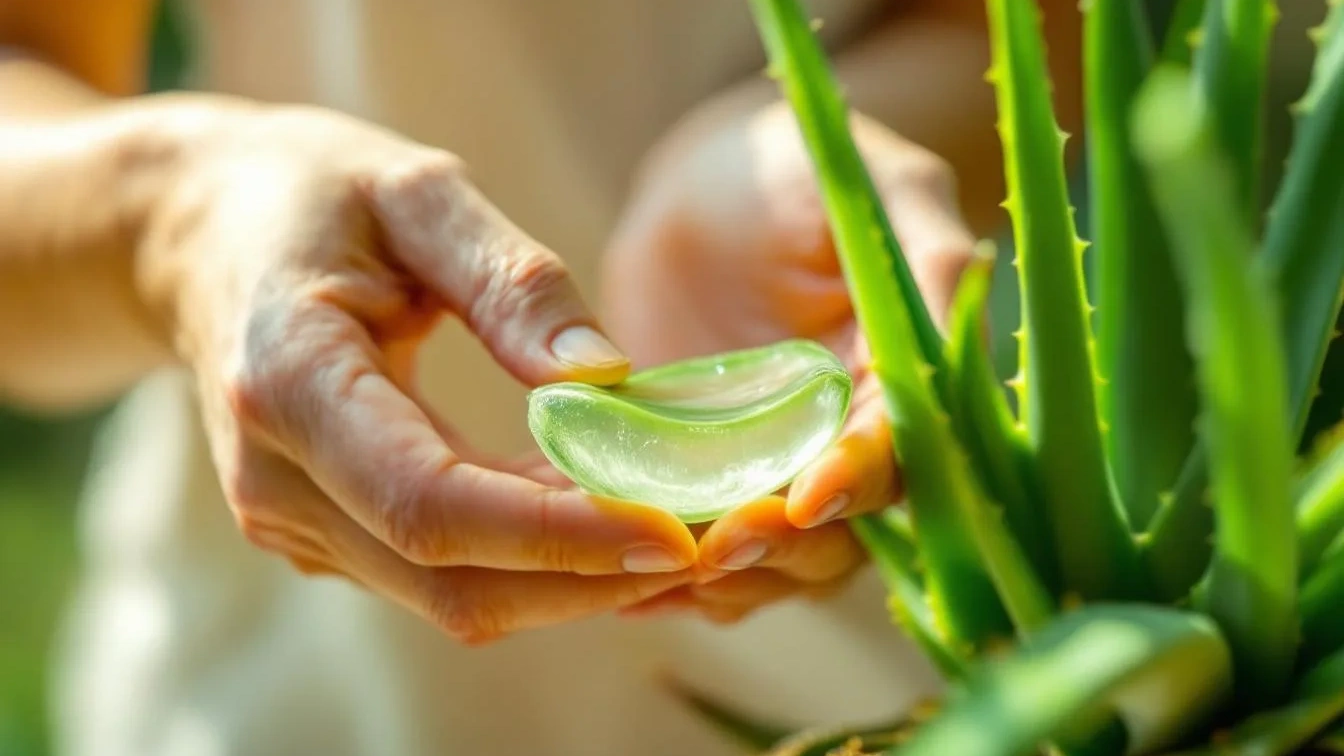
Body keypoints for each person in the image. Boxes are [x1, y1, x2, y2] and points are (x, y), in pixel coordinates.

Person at [0, 1, 1081, 754]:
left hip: (885, 690)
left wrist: (831, 136)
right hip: (285, 698)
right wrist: (180, 219)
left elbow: (1038, 32)